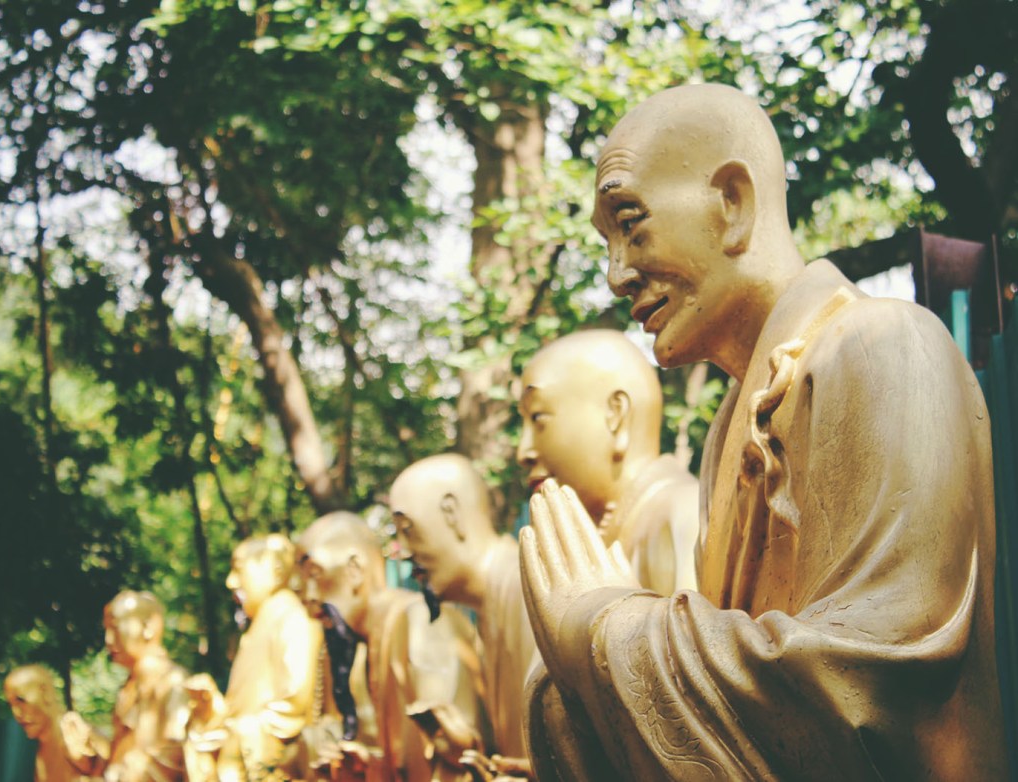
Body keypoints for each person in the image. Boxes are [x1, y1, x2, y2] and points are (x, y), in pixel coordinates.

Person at [519, 83, 1008, 780]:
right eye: (608, 243)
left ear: (733, 203)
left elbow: (873, 688)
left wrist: (604, 629)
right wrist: (578, 676)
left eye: (630, 223)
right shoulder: (732, 426)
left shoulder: (883, 346)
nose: (617, 274)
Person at [294, 511, 485, 782]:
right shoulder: (367, 647)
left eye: (315, 574)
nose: (308, 597)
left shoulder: (421, 623)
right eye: (302, 583)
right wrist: (364, 767)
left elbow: (460, 758)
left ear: (354, 569)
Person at [517, 329, 700, 594]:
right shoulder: (605, 532)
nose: (524, 452)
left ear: (616, 414)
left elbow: (697, 620)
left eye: (537, 417)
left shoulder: (684, 515)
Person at [390, 454, 535, 779]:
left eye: (408, 529)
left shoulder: (527, 592)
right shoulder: (490, 609)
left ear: (451, 513)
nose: (404, 552)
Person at [208, 533, 327, 781]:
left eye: (239, 569)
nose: (231, 581)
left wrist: (243, 732)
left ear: (275, 570)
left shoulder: (292, 617)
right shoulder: (257, 628)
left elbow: (294, 701)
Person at [61, 591, 189, 782]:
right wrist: (91, 749)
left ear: (147, 626)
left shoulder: (172, 682)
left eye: (115, 628)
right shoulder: (128, 687)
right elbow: (117, 758)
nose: (108, 640)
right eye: (106, 630)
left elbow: (174, 753)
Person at [4, 665, 89, 782]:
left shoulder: (78, 738)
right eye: (11, 705)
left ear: (46, 693)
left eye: (21, 701)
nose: (16, 713)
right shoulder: (40, 752)